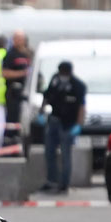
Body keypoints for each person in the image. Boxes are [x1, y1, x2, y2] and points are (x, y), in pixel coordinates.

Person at [39, 61, 86, 194]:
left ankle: (64, 184)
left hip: (68, 124)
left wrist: (78, 124)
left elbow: (82, 107)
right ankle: (51, 181)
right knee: (49, 153)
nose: (63, 75)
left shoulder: (78, 86)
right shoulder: (55, 80)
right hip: (54, 120)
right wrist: (41, 113)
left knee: (66, 155)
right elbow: (47, 96)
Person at [2, 30, 31, 143]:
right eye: (16, 38)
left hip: (27, 92)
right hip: (13, 92)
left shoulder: (28, 53)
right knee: (12, 117)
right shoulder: (10, 54)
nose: (18, 41)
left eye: (21, 39)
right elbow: (5, 73)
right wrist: (23, 73)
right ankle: (10, 139)